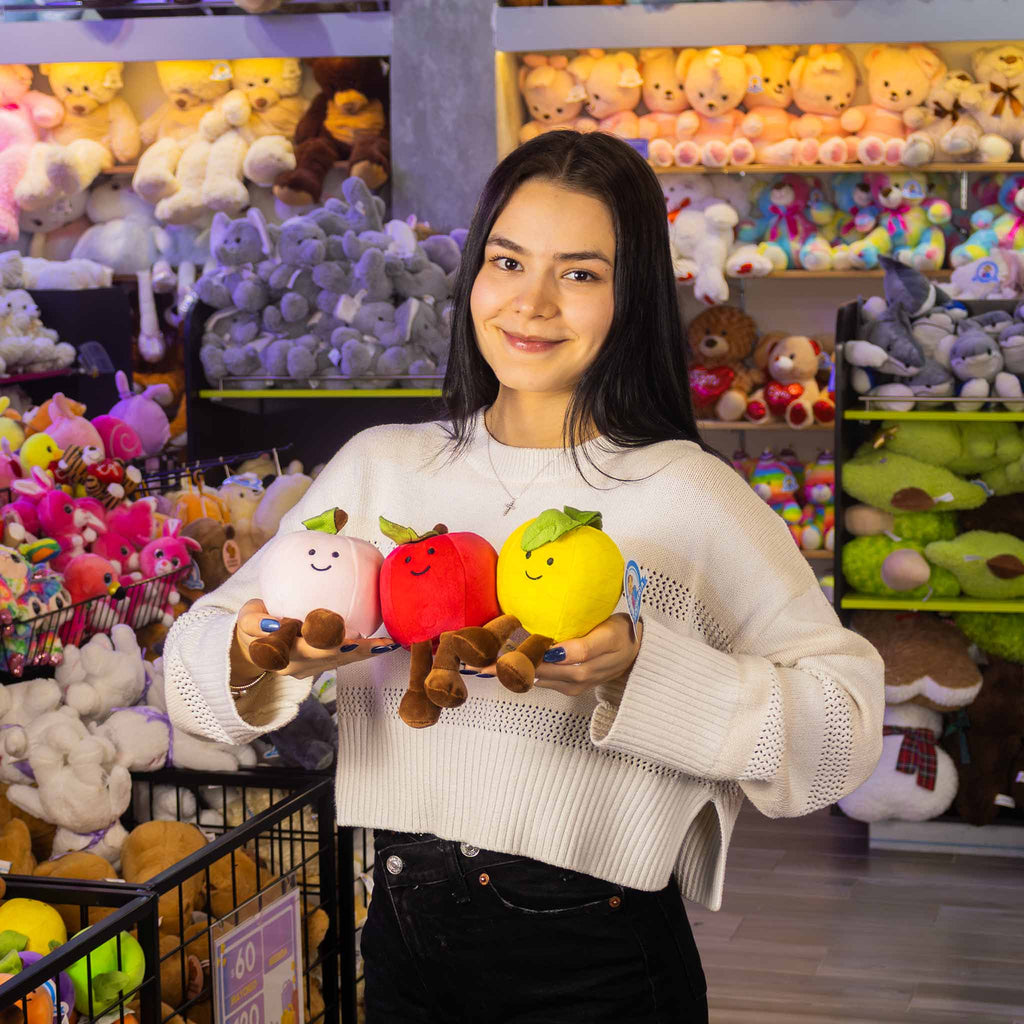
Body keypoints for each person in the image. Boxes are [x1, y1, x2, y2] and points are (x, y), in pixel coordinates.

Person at [164, 130, 884, 1023]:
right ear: (473, 274)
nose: (532, 303)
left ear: (632, 297)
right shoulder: (383, 469)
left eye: (579, 273)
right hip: (399, 939)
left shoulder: (687, 497)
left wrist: (644, 670)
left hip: (593, 964)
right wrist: (255, 654)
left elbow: (844, 736)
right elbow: (190, 675)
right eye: (507, 261)